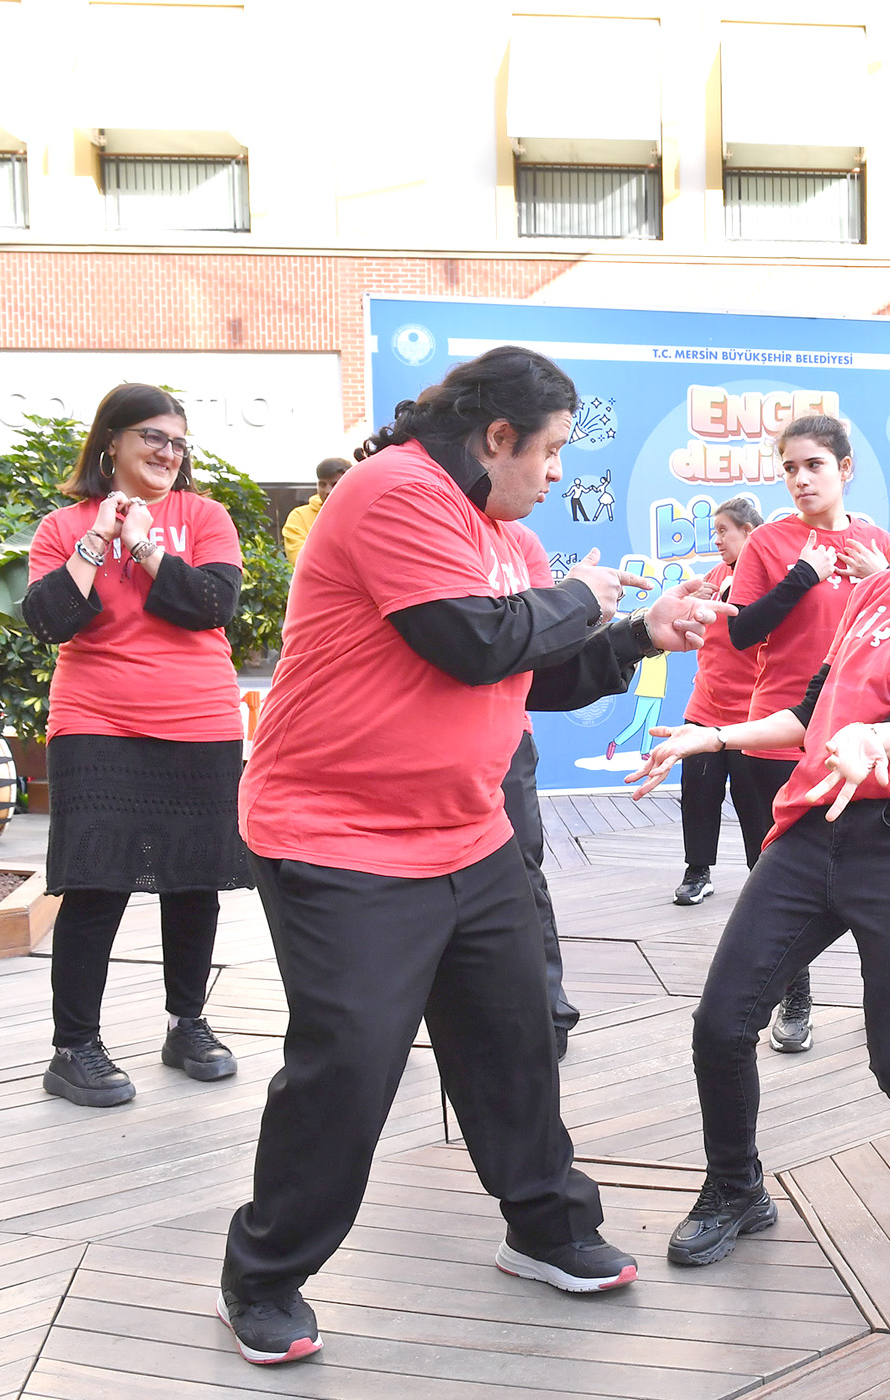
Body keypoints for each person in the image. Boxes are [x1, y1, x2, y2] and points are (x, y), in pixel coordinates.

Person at [219, 347, 731, 1365]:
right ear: (496, 436)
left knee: (516, 1039)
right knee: (351, 1065)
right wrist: (587, 596)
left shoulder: (513, 538)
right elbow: (468, 639)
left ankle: (546, 1227)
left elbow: (530, 671)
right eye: (545, 452)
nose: (553, 475)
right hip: (340, 839)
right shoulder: (392, 492)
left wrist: (638, 632)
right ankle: (264, 1274)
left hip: (472, 833)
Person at [629, 436, 890, 1273]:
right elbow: (810, 715)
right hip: (812, 825)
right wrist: (710, 738)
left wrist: (872, 742)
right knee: (720, 1024)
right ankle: (735, 1188)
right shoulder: (880, 589)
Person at [22, 384, 249, 1109]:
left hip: (199, 719)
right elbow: (52, 619)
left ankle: (188, 1025)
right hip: (96, 721)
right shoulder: (62, 527)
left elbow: (212, 607)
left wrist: (145, 545)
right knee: (94, 881)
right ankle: (74, 1047)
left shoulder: (204, 517)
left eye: (178, 443)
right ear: (111, 442)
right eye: (152, 436)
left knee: (193, 883)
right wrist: (99, 539)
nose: (166, 452)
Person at [726, 415, 890, 1054]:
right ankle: (791, 992)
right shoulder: (769, 544)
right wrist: (801, 573)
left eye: (814, 466)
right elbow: (742, 632)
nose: (801, 479)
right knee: (774, 875)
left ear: (845, 469)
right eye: (790, 468)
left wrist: (882, 575)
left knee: (868, 873)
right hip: (776, 733)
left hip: (859, 734)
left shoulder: (880, 542)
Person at [502, 521, 578, 1056]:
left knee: (524, 873)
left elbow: (540, 649)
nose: (552, 472)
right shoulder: (416, 525)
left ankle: (550, 1010)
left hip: (507, 740)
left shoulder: (521, 542)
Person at [672, 496, 767, 906]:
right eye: (714, 532)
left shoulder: (771, 583)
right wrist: (690, 610)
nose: (717, 540)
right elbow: (687, 635)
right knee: (699, 790)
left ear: (749, 532)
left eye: (723, 531)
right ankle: (698, 872)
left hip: (751, 715)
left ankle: (762, 877)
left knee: (754, 801)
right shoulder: (712, 577)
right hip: (704, 709)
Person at [280, 457, 349, 569]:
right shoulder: (299, 516)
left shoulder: (361, 514)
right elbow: (300, 560)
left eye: (335, 484)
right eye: (322, 484)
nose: (328, 491)